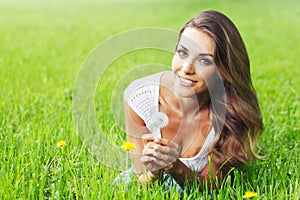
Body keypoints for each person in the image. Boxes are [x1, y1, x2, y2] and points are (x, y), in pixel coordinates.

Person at [119, 10, 263, 193]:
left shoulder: (231, 113)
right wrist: (153, 173)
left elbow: (212, 186)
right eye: (182, 52)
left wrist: (175, 167)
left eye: (204, 60)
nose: (186, 68)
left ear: (224, 70)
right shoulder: (140, 98)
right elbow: (142, 179)